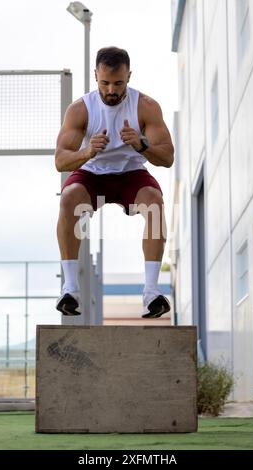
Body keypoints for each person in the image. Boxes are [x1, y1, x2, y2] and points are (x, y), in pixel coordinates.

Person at [55, 46, 174, 319]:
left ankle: (151, 293)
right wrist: (87, 152)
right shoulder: (80, 109)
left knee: (155, 204)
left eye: (118, 83)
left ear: (129, 77)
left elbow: (167, 157)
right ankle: (70, 288)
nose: (111, 90)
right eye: (104, 83)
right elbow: (60, 161)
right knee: (68, 198)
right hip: (92, 173)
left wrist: (142, 144)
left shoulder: (146, 106)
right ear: (95, 75)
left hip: (130, 173)